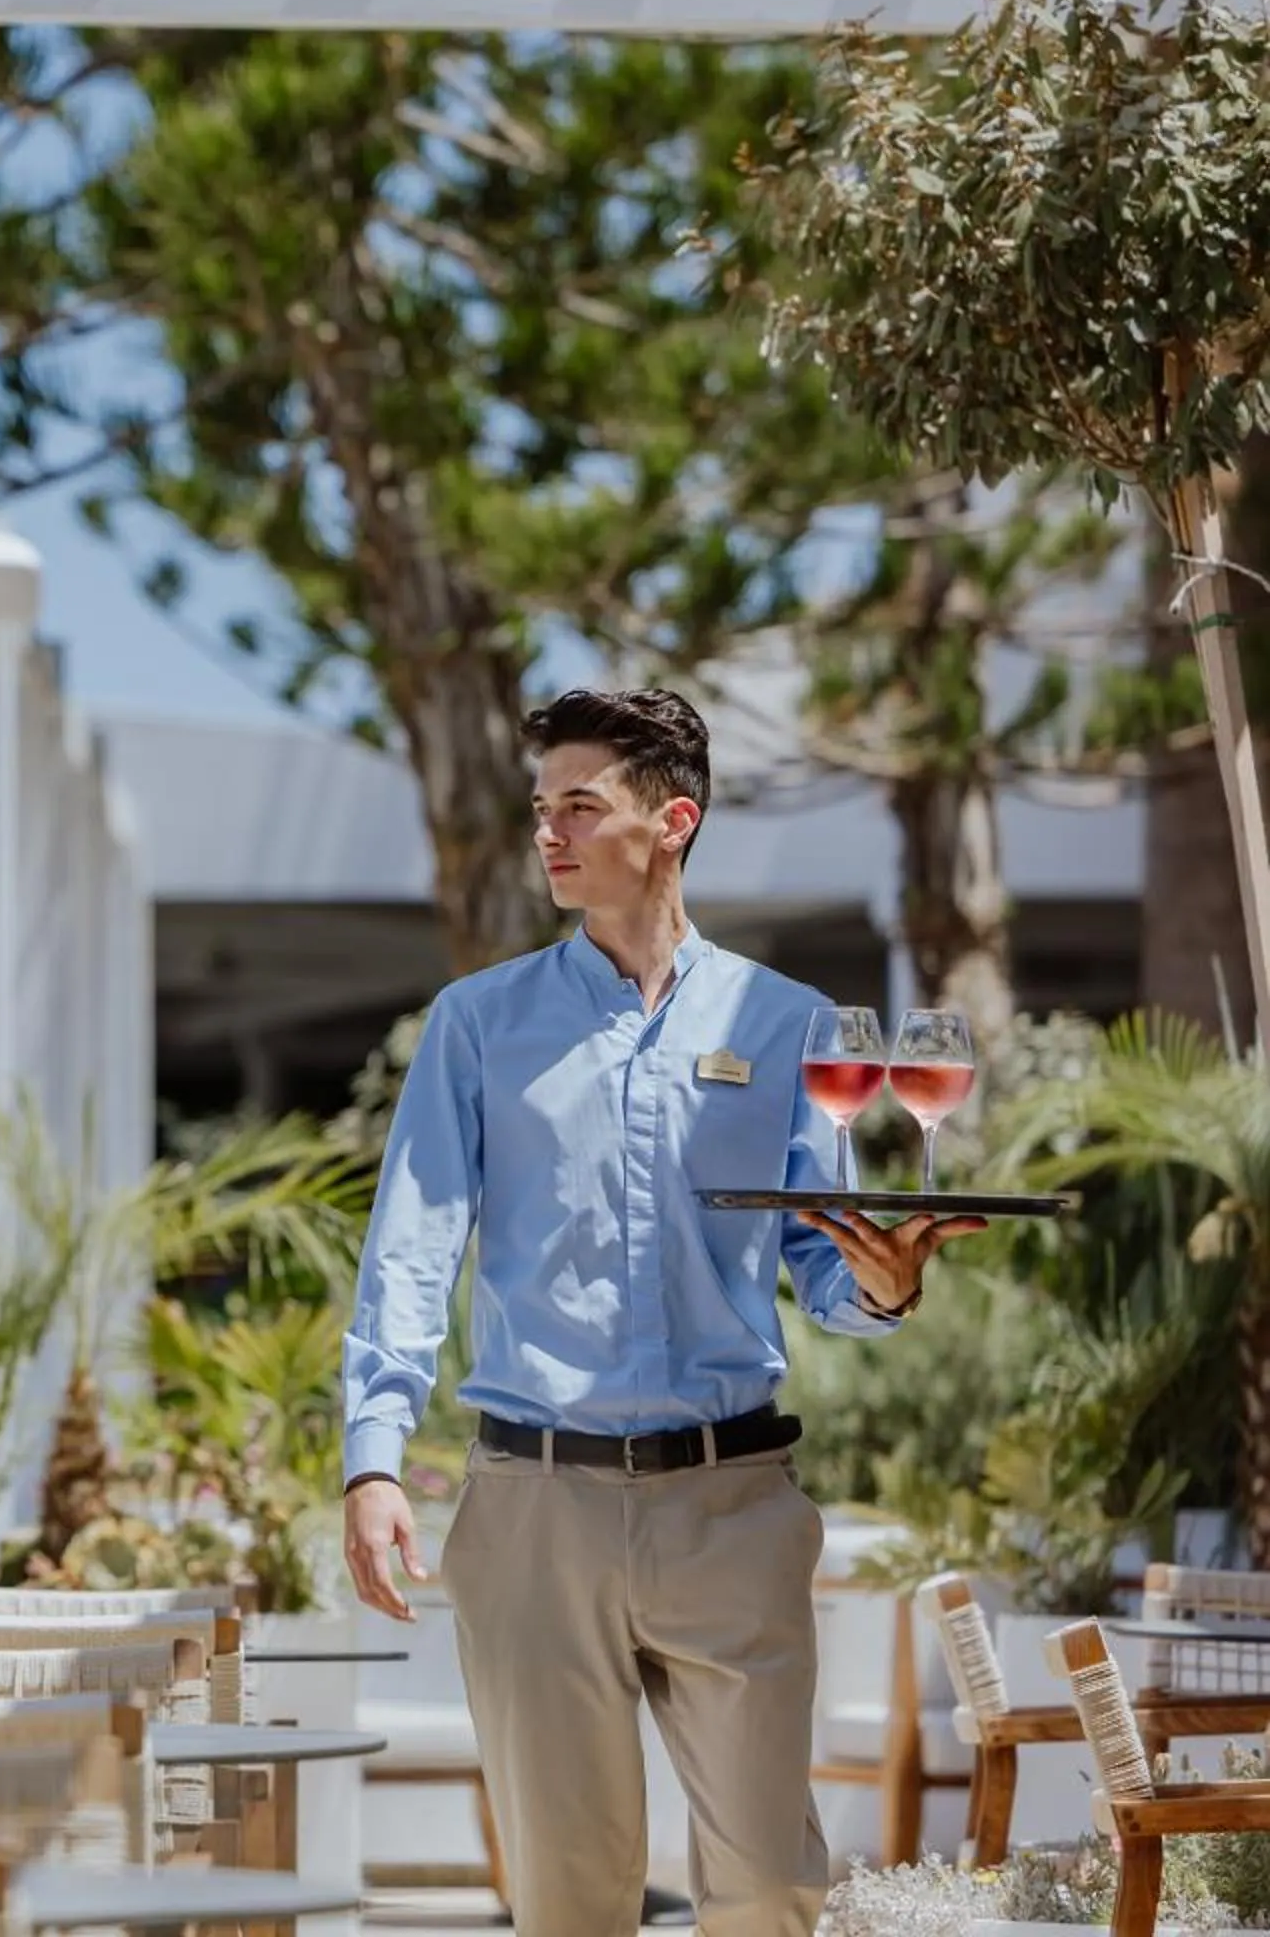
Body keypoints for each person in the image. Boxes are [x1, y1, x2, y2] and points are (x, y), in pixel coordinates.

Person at [337, 687, 980, 1937]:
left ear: (671, 820)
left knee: (767, 1890)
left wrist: (886, 1289)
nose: (550, 833)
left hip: (729, 1505)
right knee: (571, 1901)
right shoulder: (480, 1024)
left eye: (582, 804)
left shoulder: (785, 1022)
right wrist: (372, 1458)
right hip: (535, 1512)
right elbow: (410, 1250)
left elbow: (827, 1258)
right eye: (542, 808)